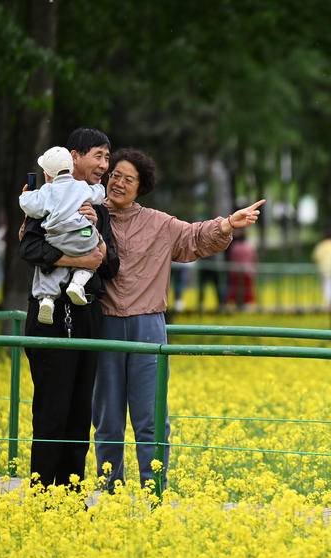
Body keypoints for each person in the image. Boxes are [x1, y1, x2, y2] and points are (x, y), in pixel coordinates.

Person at [93, 148, 264, 489]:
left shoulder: (159, 223)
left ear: (141, 187)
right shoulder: (91, 216)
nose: (119, 183)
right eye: (115, 176)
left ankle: (153, 488)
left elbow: (194, 238)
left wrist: (228, 223)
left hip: (148, 326)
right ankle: (109, 489)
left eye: (129, 179)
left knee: (151, 417)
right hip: (105, 324)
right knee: (107, 418)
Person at [18, 127, 119, 488]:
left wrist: (100, 254)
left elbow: (111, 264)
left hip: (86, 312)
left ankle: (72, 497)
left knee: (80, 411)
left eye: (108, 158)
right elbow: (29, 249)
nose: (105, 166)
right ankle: (43, 496)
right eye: (99, 156)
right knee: (51, 407)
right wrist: (73, 259)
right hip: (48, 314)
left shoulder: (98, 208)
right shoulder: (43, 199)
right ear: (73, 157)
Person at [19, 146, 106, 324]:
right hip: (82, 235)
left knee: (50, 267)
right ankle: (77, 284)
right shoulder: (82, 187)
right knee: (91, 257)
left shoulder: (47, 191)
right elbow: (99, 193)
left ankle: (47, 299)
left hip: (56, 238)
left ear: (48, 175)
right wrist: (97, 189)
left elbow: (30, 205)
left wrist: (26, 195)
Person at [225, 232, 257, 309]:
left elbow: (232, 259)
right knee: (247, 290)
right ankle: (245, 306)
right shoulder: (250, 247)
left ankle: (238, 305)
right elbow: (254, 259)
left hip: (236, 271)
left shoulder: (235, 247)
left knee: (236, 290)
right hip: (248, 271)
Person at [312, 235, 331, 308]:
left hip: (324, 269)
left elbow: (315, 257)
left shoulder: (321, 245)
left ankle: (329, 302)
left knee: (326, 285)